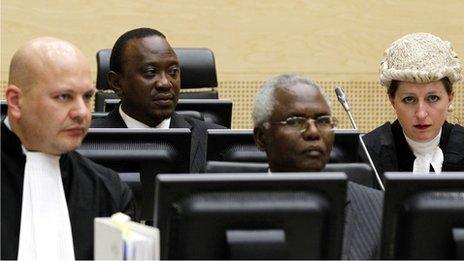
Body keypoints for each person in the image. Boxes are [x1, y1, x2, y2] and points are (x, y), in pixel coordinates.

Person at [1, 37, 136, 260]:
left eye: (87, 97)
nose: (82, 112)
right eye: (64, 97)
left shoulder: (109, 191)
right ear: (15, 102)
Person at [252, 74, 383, 259]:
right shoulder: (224, 207)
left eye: (323, 121)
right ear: (261, 137)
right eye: (295, 121)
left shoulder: (378, 209)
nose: (313, 132)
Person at [91, 27, 225, 173]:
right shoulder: (86, 142)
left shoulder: (213, 141)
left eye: (173, 72)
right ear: (117, 83)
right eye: (150, 72)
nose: (165, 83)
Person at [362, 32, 464, 177]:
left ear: (450, 97)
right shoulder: (366, 155)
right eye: (409, 99)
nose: (421, 114)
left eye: (433, 98)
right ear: (392, 100)